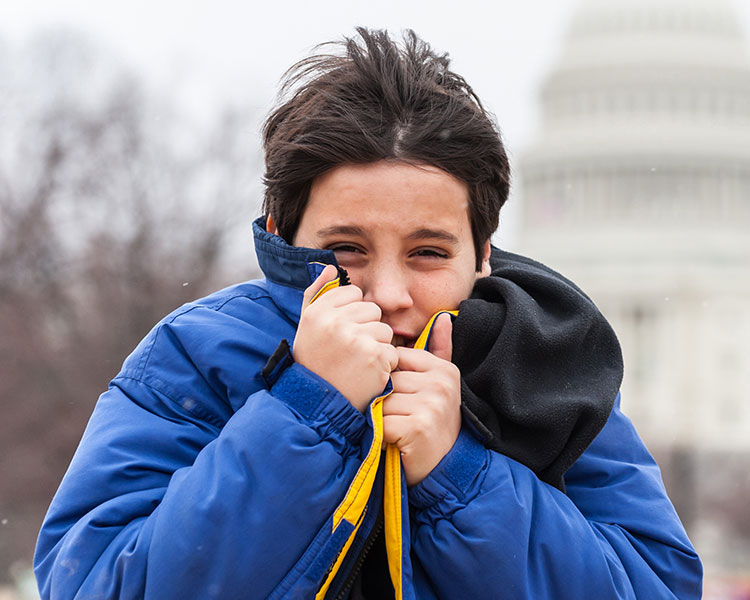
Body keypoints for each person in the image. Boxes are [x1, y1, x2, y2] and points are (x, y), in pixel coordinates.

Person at [34, 28, 702, 599]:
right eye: (346, 248)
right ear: (279, 233)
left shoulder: (550, 368)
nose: (387, 292)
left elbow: (656, 585)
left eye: (428, 252)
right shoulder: (195, 357)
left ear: (483, 255)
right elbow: (93, 583)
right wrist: (306, 410)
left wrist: (458, 474)